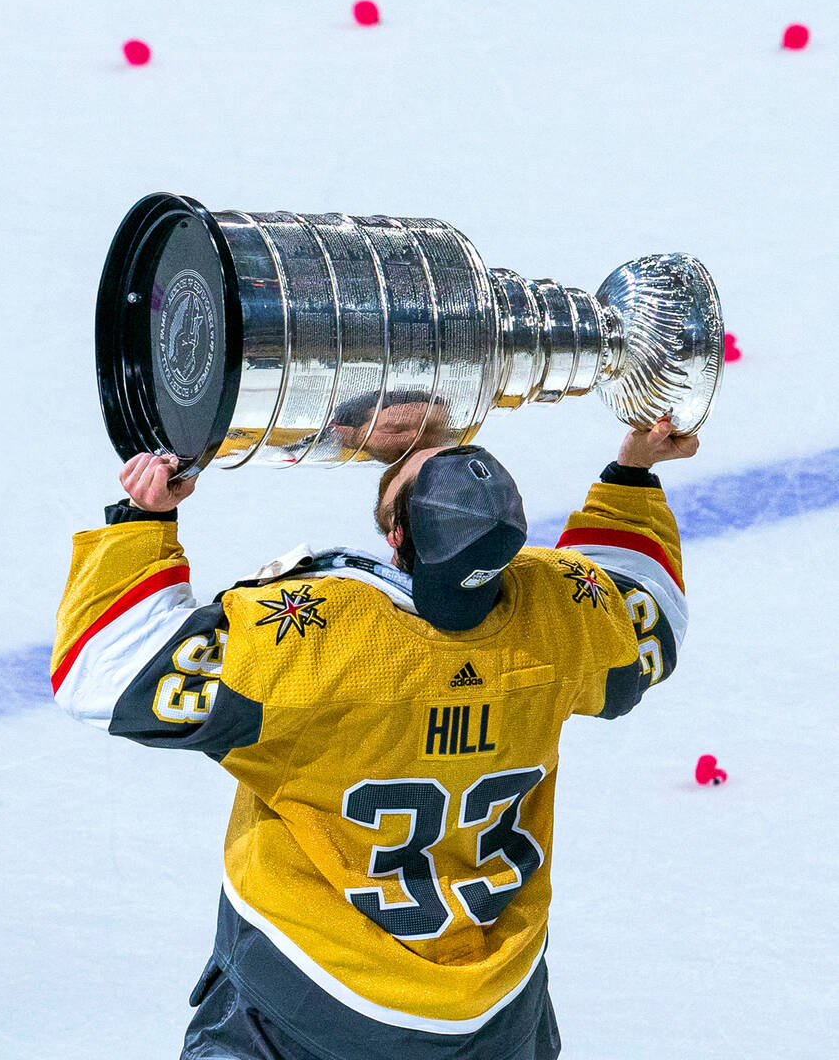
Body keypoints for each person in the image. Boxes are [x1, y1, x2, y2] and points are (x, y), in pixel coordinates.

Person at [51, 417, 697, 1059]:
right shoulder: (566, 618)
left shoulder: (312, 640)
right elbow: (650, 615)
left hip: (306, 991)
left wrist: (141, 521)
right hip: (496, 1013)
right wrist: (631, 476)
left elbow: (104, 676)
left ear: (394, 534)